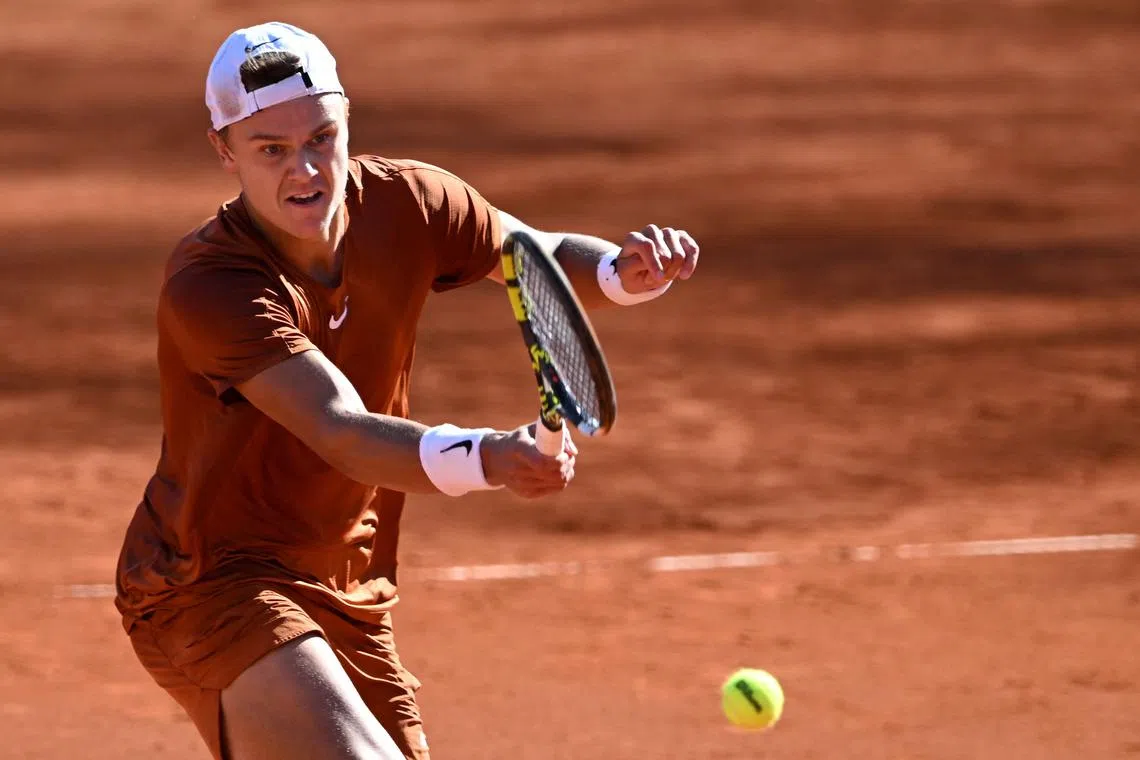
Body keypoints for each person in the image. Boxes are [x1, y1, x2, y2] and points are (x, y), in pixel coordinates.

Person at [113, 21, 700, 760]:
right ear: (224, 150)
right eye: (272, 149)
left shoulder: (409, 203)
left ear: (347, 120)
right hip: (210, 584)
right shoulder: (215, 285)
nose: (306, 170)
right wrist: (490, 457)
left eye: (322, 137)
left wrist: (623, 270)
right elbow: (340, 431)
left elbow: (535, 259)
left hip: (351, 586)